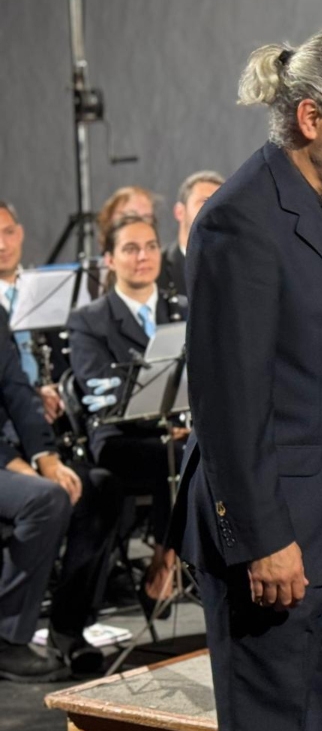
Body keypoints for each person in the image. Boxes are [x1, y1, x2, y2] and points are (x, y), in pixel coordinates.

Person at [170, 28, 322, 731]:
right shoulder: (236, 221)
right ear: (310, 118)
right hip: (277, 541)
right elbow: (227, 405)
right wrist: (265, 540)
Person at [68, 213, 187, 620]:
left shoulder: (182, 308)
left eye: (151, 246)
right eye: (131, 249)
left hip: (181, 434)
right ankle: (166, 562)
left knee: (204, 451)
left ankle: (168, 557)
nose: (144, 257)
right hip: (121, 440)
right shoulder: (89, 319)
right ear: (110, 259)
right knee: (180, 456)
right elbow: (100, 390)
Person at [0, 306, 122, 680]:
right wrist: (11, 462)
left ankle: (68, 629)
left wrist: (47, 456)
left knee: (97, 486)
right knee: (45, 499)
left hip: (12, 451)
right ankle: (6, 638)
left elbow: (17, 390)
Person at [0, 201, 67, 423]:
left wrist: (59, 390)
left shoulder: (47, 289)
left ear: (20, 234)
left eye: (8, 232)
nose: (2, 245)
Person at [158, 171, 224, 300]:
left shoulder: (238, 265)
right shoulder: (156, 268)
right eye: (204, 202)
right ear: (179, 212)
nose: (212, 209)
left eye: (220, 203)